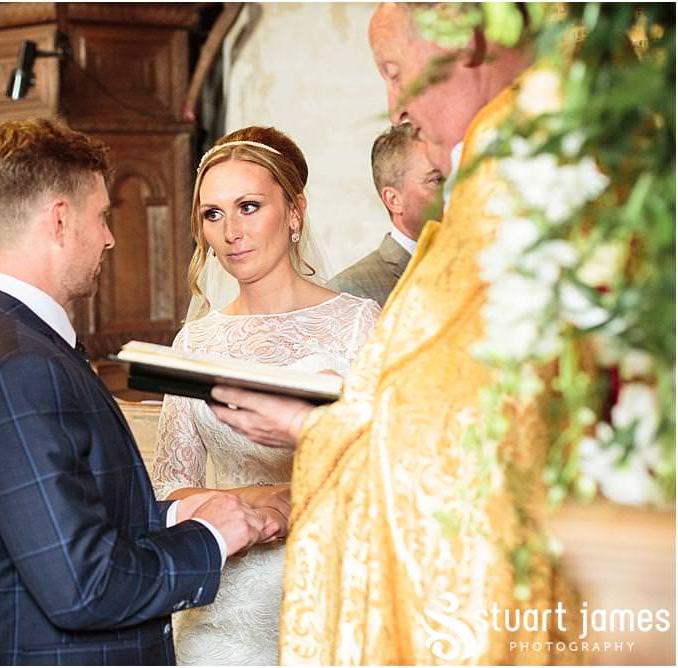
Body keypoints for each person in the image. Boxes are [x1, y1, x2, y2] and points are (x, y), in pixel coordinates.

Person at [208, 4, 583, 664]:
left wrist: (312, 427)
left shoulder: (528, 177)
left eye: (393, 70)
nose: (394, 107)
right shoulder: (492, 190)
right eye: (212, 213)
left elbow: (473, 436)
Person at [0, 117, 280, 665]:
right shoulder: (21, 366)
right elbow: (83, 586)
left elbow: (49, 522)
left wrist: (178, 516)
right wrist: (211, 536)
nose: (110, 236)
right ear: (60, 220)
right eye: (102, 216)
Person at [150, 126, 380, 665]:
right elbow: (170, 484)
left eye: (249, 207)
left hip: (332, 586)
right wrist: (251, 504)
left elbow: (389, 461)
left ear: (295, 212)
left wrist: (294, 496)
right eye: (213, 214)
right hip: (226, 603)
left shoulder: (358, 325)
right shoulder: (196, 342)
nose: (231, 231)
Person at [328, 122, 444, 306]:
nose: (456, 188)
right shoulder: (351, 290)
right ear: (393, 200)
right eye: (438, 180)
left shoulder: (487, 263)